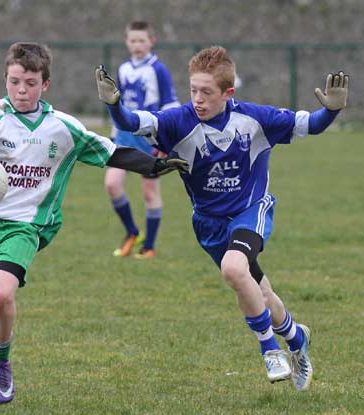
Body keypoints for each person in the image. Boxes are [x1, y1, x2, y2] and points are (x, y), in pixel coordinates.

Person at [0, 42, 188, 404]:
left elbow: (110, 151)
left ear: (46, 84)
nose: (21, 90)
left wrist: (154, 165)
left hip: (26, 226)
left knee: (2, 293)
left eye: (30, 82)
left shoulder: (62, 127)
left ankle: (0, 364)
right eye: (14, 82)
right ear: (5, 80)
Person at [95, 46, 349, 390]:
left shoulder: (256, 118)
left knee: (233, 269)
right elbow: (134, 122)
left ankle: (269, 348)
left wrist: (330, 111)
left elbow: (309, 124)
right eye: (193, 90)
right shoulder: (177, 121)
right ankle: (296, 338)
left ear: (228, 93)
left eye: (207, 92)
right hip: (208, 223)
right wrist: (114, 105)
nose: (197, 99)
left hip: (250, 209)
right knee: (261, 291)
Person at [105, 21, 180, 259]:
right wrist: (115, 134)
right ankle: (132, 232)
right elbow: (118, 105)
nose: (137, 45)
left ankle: (149, 246)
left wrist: (168, 142)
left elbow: (170, 105)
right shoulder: (124, 69)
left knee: (150, 193)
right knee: (112, 184)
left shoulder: (159, 69)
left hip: (149, 136)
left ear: (151, 41)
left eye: (142, 40)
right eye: (133, 40)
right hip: (125, 136)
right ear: (126, 42)